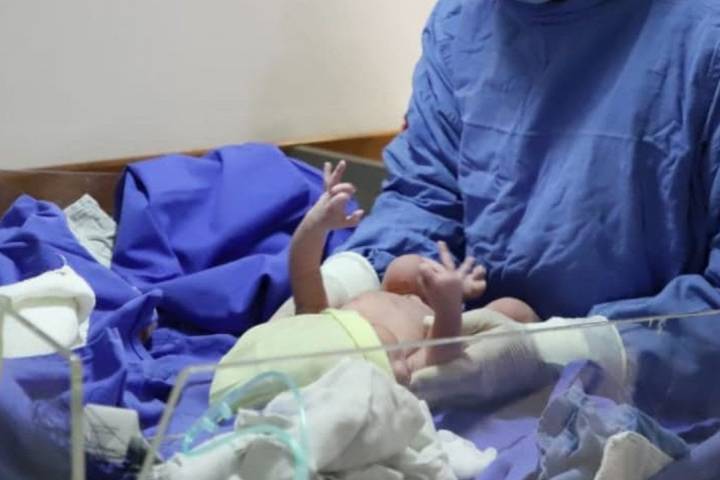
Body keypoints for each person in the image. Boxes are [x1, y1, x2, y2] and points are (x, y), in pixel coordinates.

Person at [209, 161, 535, 405]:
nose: (380, 342)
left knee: (405, 267)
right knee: (512, 311)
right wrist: (449, 304)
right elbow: (443, 352)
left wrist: (317, 223)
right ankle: (528, 332)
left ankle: (448, 282)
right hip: (446, 325)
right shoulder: (397, 369)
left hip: (401, 290)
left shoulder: (315, 315)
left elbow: (304, 269)